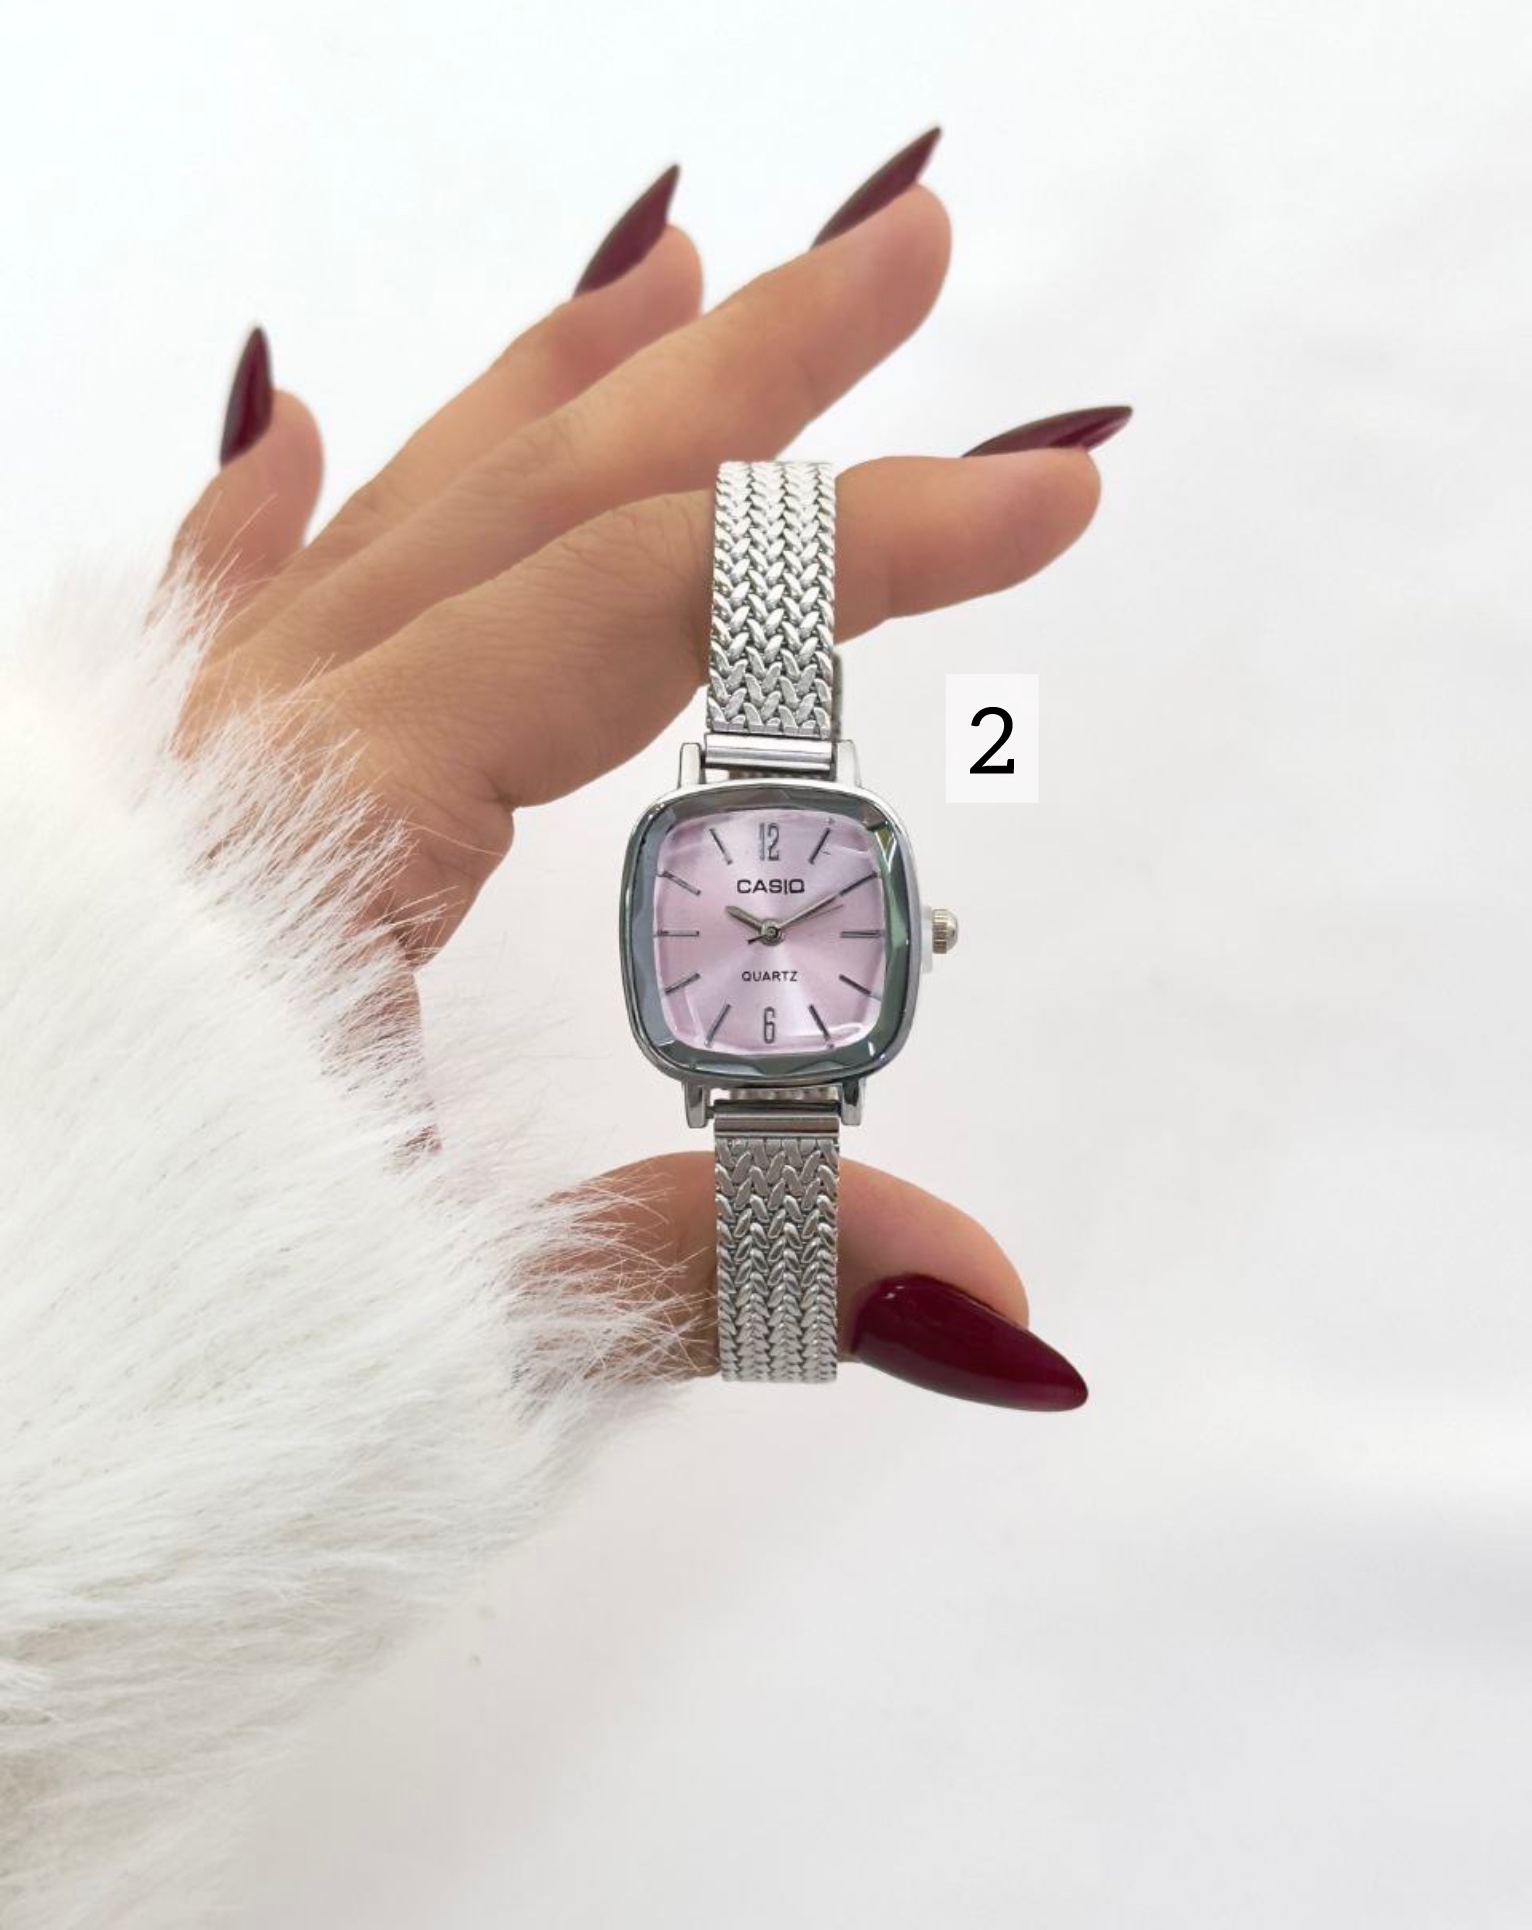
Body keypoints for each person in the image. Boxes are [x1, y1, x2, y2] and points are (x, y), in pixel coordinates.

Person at [0, 132, 1127, 1922]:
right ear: (687, 908)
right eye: (755, 913)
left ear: (886, 942)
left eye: (803, 922)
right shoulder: (751, 923)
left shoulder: (763, 902)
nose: (773, 928)